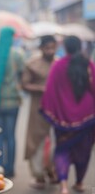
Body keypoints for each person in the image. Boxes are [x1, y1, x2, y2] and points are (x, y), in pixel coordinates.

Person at [41, 36, 95, 194]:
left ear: (64, 48)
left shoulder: (58, 66)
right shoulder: (88, 65)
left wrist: (49, 112)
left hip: (62, 117)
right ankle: (79, 183)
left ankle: (63, 185)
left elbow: (50, 91)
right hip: (87, 115)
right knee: (84, 150)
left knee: (62, 149)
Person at [22, 35, 57, 189]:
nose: (50, 51)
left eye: (52, 47)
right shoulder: (32, 64)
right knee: (36, 141)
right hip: (38, 108)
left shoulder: (59, 64)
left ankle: (53, 171)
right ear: (41, 48)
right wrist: (41, 89)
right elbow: (24, 84)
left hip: (56, 108)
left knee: (56, 141)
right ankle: (39, 176)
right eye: (47, 47)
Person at [0, 26, 24, 177]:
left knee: (0, 136)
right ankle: (11, 168)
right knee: (11, 136)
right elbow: (22, 76)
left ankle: (0, 166)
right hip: (12, 101)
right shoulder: (18, 54)